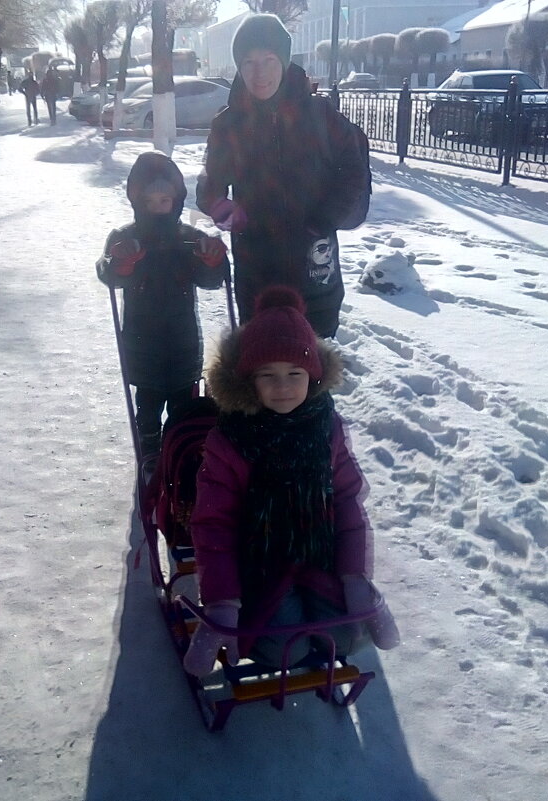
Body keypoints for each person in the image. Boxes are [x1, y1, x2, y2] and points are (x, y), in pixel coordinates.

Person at [182, 286, 399, 678]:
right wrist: (222, 602)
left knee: (349, 638)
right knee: (283, 646)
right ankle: (270, 617)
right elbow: (214, 524)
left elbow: (348, 503)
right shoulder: (230, 440)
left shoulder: (325, 428)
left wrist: (354, 577)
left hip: (317, 557)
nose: (283, 387)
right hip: (257, 567)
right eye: (268, 375)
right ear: (249, 381)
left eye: (294, 374)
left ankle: (327, 601)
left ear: (313, 376)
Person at [195, 14, 372, 338]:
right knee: (262, 363)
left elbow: (353, 170)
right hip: (256, 270)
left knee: (313, 366)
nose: (259, 72)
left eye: (268, 60)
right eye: (248, 62)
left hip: (314, 265)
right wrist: (221, 207)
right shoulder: (228, 125)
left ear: (285, 61)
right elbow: (210, 186)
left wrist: (326, 217)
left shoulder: (321, 116)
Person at [97, 152, 230, 471]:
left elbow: (212, 280)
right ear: (137, 201)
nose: (158, 207)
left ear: (176, 200)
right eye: (150, 201)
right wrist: (121, 263)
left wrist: (213, 261)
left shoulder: (189, 238)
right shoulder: (124, 238)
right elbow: (108, 273)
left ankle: (179, 448)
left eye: (165, 200)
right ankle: (150, 448)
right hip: (142, 342)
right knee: (148, 402)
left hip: (183, 340)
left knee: (184, 403)